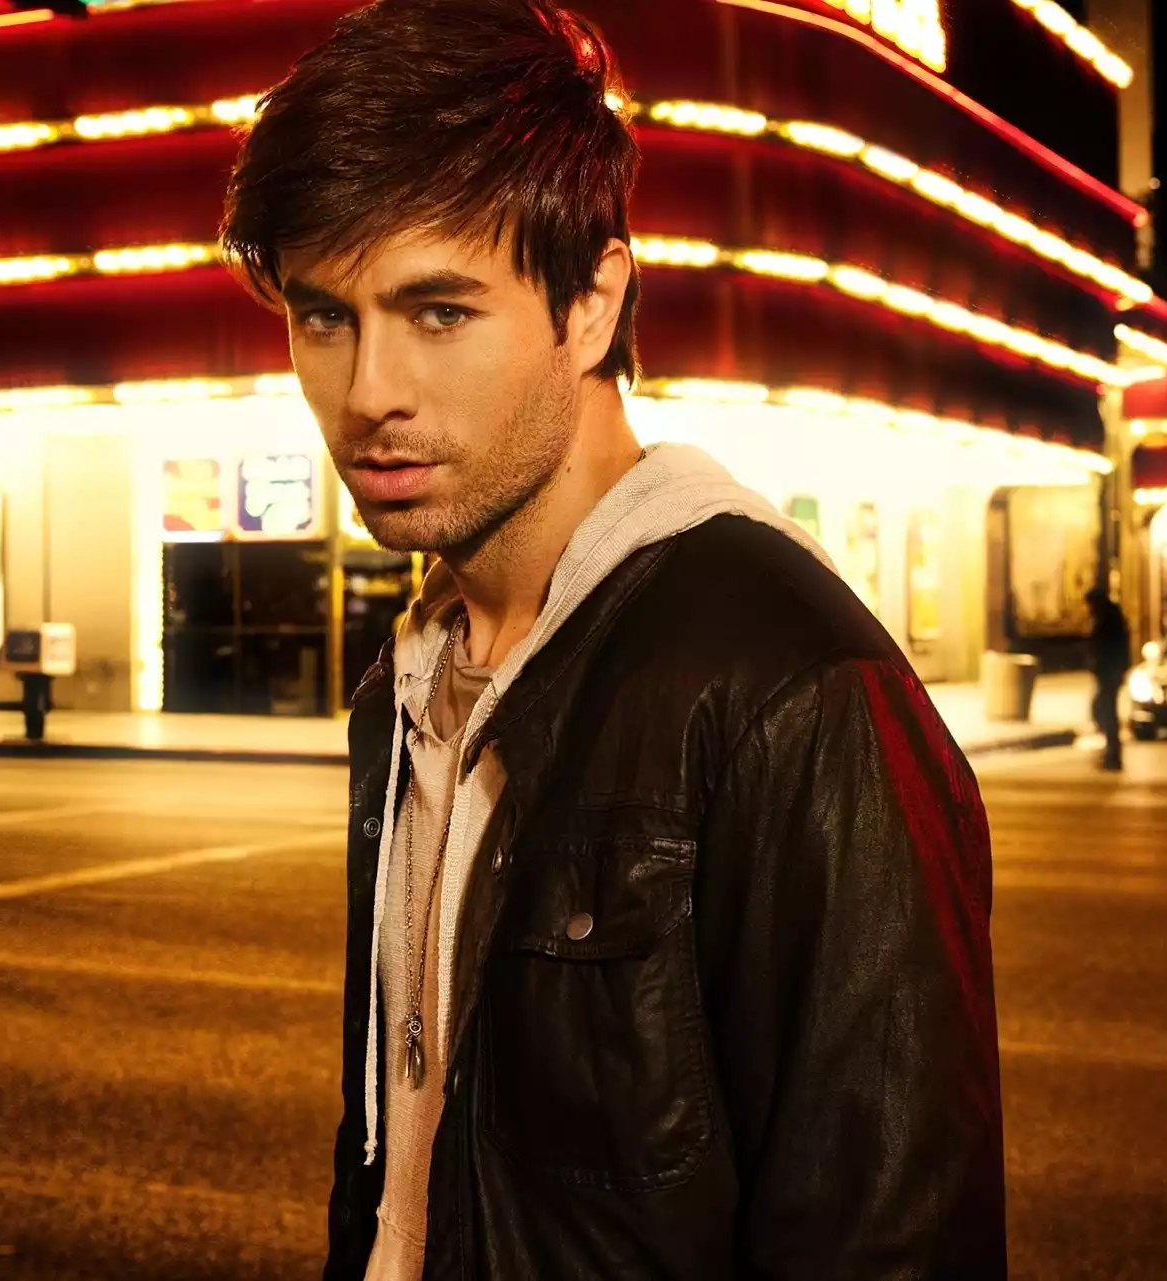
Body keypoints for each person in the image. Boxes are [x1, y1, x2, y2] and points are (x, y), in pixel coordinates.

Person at [221, 2, 1006, 1276]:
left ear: (591, 303)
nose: (369, 394)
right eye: (325, 318)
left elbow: (891, 1240)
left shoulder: (793, 686)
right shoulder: (414, 680)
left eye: (440, 312)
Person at [1087, 586, 1130, 771]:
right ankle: (1111, 750)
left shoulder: (1108, 618)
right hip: (1107, 671)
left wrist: (1116, 669)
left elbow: (1110, 646)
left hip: (1109, 672)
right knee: (1102, 709)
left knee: (1105, 710)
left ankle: (1113, 753)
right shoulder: (1107, 617)